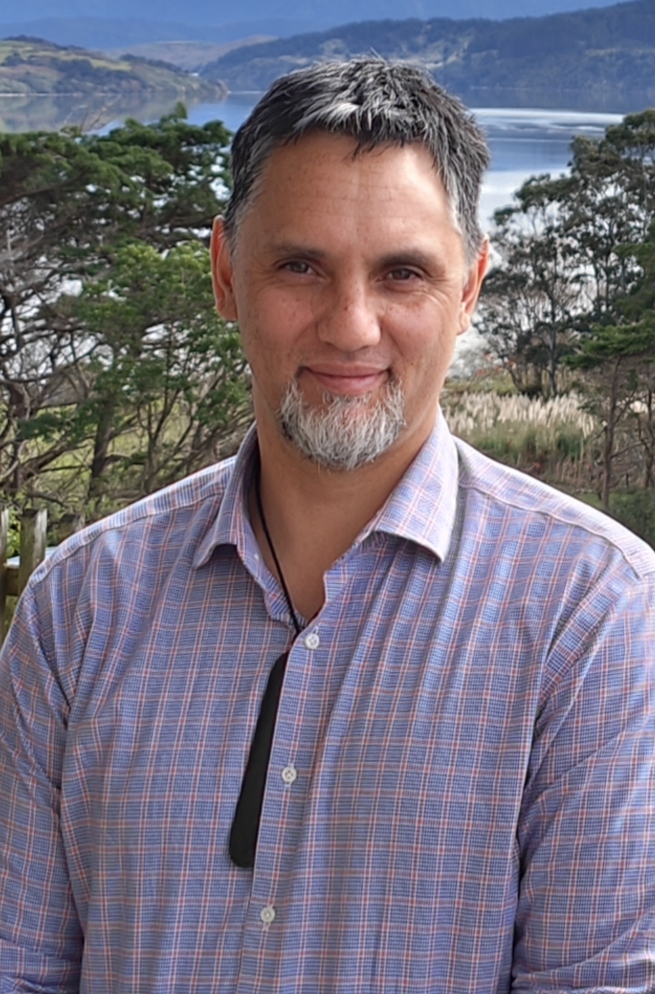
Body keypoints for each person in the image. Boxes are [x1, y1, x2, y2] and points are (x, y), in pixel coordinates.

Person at [0, 58, 654, 994]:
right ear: (225, 272)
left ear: (469, 289)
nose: (350, 326)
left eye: (402, 274)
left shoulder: (591, 616)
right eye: (300, 266)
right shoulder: (80, 608)